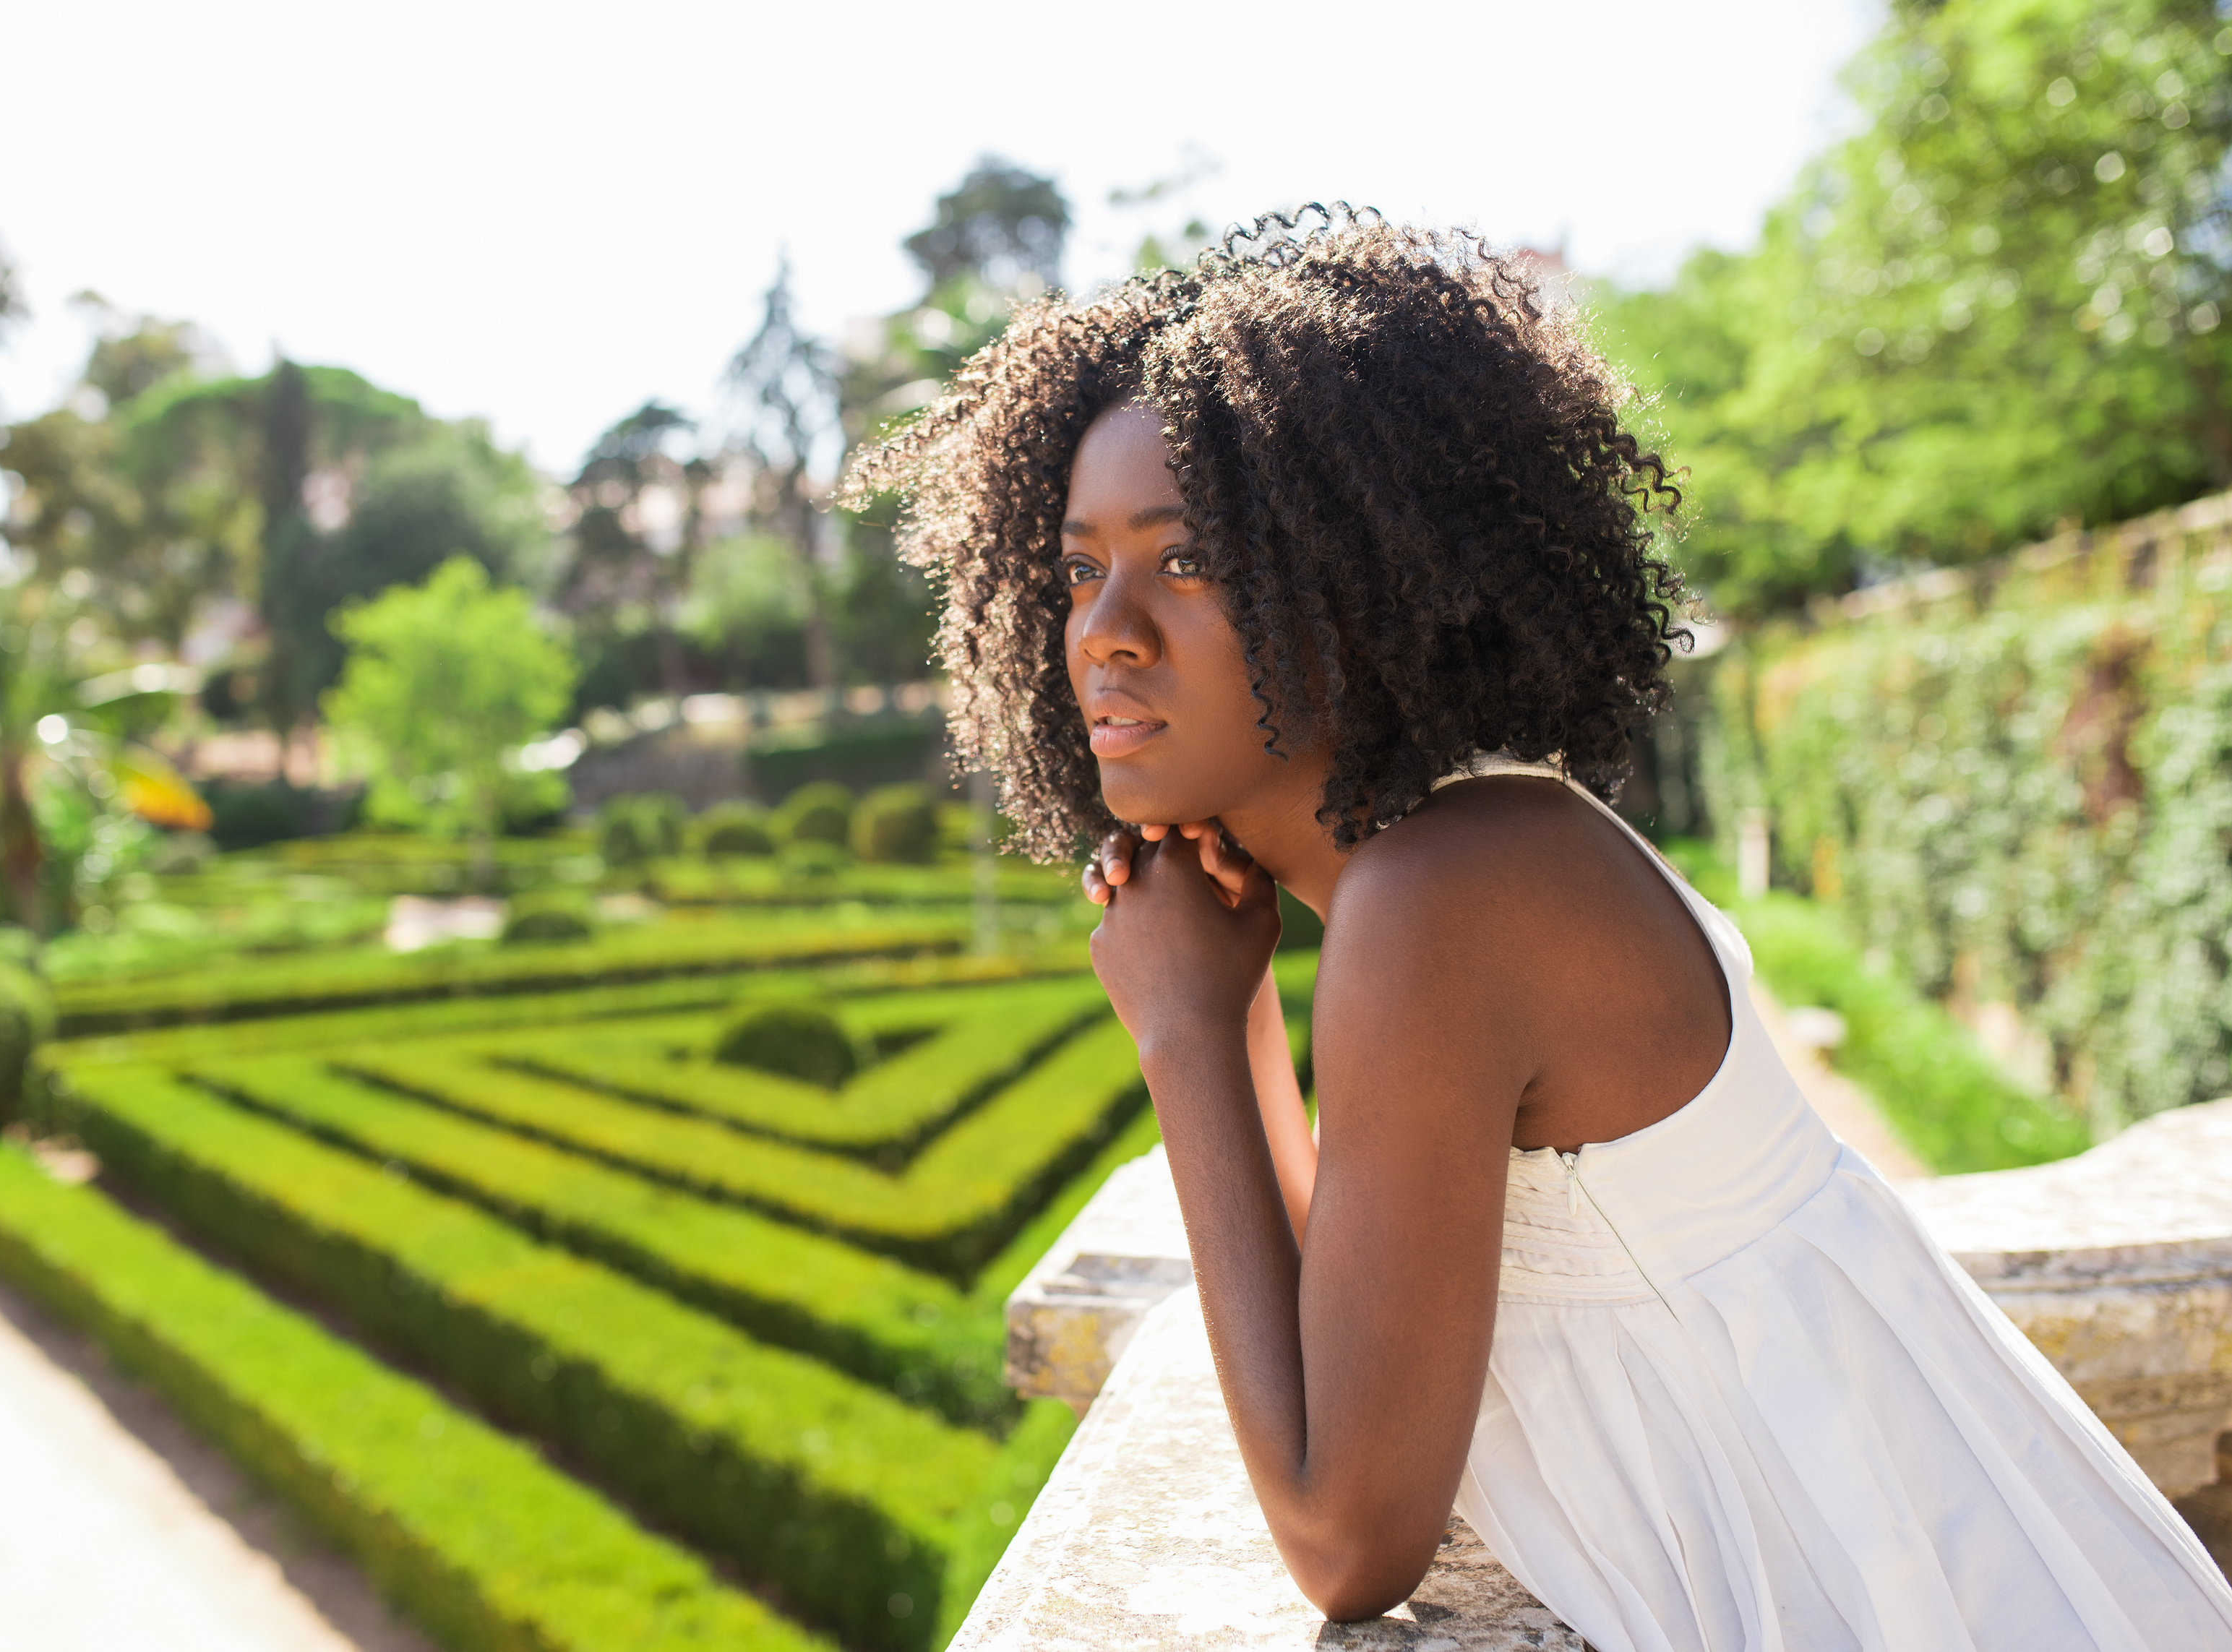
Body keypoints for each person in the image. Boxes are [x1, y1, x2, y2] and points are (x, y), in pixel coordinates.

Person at [849, 207, 2232, 1651]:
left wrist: (1197, 1027)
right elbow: (1360, 1333)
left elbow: (1345, 1537)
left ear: (1364, 581)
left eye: (1187, 561)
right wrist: (1229, 998)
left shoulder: (1441, 898)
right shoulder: (1480, 844)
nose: (1105, 632)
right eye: (1078, 571)